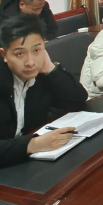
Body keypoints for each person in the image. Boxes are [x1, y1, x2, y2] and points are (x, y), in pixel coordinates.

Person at [0, 15, 87, 167]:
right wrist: (33, 144)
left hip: (28, 163)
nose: (30, 62)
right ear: (4, 55)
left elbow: (77, 99)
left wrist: (50, 68)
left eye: (36, 50)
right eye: (20, 54)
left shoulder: (40, 75)